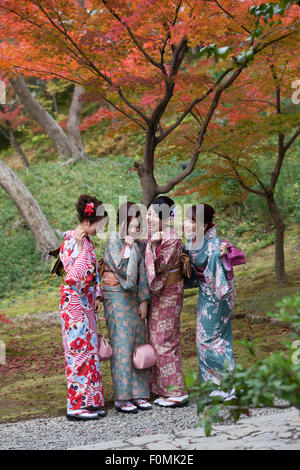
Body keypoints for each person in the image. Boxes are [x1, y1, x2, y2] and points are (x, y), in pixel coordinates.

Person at [183, 204, 246, 400]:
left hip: (219, 294)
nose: (185, 224)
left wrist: (220, 255)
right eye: (185, 220)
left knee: (208, 339)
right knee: (214, 339)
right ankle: (215, 386)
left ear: (202, 226)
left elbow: (216, 271)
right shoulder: (194, 241)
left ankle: (231, 384)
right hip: (207, 292)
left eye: (190, 222)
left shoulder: (215, 244)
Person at [59, 194, 107, 421]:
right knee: (78, 352)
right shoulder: (71, 240)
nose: (101, 228)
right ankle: (75, 405)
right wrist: (78, 247)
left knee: (90, 352)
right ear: (88, 222)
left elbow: (93, 273)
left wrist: (97, 295)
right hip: (74, 304)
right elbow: (72, 276)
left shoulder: (86, 241)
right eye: (100, 224)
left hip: (86, 303)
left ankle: (90, 401)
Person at [102, 202, 152, 414]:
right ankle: (123, 396)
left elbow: (140, 275)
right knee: (122, 344)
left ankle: (140, 392)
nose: (139, 225)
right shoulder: (115, 240)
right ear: (124, 222)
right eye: (135, 221)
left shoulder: (138, 243)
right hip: (116, 295)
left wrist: (144, 300)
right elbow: (125, 272)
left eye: (140, 222)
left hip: (133, 297)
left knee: (138, 340)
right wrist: (129, 247)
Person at [145, 196, 188, 408]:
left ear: (163, 217)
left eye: (152, 215)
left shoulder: (172, 238)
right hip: (158, 293)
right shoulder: (153, 234)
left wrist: (153, 245)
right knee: (156, 340)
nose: (148, 218)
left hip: (169, 292)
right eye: (147, 213)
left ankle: (177, 391)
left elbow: (160, 267)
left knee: (165, 341)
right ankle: (163, 389)